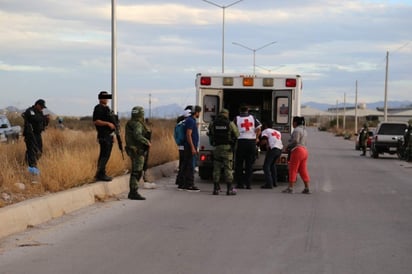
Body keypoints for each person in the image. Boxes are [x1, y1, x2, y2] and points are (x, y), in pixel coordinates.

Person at [208, 108, 239, 195]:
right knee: (228, 168)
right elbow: (237, 134)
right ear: (227, 114)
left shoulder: (213, 123)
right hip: (227, 149)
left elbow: (210, 134)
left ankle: (216, 189)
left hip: (217, 148)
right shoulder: (230, 123)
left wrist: (213, 143)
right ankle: (229, 189)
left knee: (216, 169)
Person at [124, 106, 151, 200]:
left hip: (133, 150)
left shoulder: (131, 122)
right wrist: (146, 141)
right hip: (137, 151)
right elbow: (137, 135)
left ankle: (133, 191)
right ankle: (133, 192)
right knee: (137, 172)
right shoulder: (137, 124)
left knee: (136, 170)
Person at [233, 104, 262, 189]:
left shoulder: (236, 118)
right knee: (249, 164)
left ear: (240, 110)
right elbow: (259, 128)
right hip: (251, 142)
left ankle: (240, 184)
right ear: (248, 110)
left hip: (241, 141)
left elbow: (232, 129)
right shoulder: (252, 118)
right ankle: (248, 184)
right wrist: (256, 138)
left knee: (239, 164)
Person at [282, 116, 311, 194]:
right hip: (305, 151)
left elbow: (295, 141)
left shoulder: (296, 130)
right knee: (303, 170)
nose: (292, 124)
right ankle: (307, 187)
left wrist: (288, 147)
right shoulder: (304, 130)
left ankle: (290, 188)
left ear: (295, 122)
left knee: (293, 169)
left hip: (297, 150)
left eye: (292, 122)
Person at [93, 91, 116, 182]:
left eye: (107, 97)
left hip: (109, 135)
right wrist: (108, 123)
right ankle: (100, 174)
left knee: (107, 155)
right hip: (103, 135)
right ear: (100, 98)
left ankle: (102, 173)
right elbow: (96, 121)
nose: (106, 99)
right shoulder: (98, 108)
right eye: (104, 97)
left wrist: (113, 134)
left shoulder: (107, 109)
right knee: (104, 155)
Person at [22, 99, 48, 174]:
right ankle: (31, 166)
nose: (42, 108)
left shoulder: (40, 113)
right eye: (41, 107)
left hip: (38, 134)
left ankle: (27, 164)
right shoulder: (30, 111)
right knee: (31, 150)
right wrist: (43, 118)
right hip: (30, 134)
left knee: (39, 151)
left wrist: (47, 120)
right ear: (37, 105)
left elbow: (43, 123)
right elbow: (35, 119)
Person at [181, 105, 202, 192]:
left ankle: (185, 184)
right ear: (196, 112)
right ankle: (190, 185)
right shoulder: (190, 121)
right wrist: (193, 147)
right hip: (190, 147)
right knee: (190, 166)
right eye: (199, 112)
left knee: (187, 165)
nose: (199, 114)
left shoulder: (191, 120)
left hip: (189, 146)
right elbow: (188, 134)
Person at [260, 122, 283, 189]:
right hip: (279, 149)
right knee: (272, 165)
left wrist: (258, 144)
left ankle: (269, 184)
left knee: (266, 166)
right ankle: (274, 182)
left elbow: (264, 141)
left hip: (273, 149)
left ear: (266, 126)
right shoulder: (277, 132)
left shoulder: (266, 130)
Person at [175, 106, 193, 190]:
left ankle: (179, 181)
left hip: (180, 146)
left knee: (182, 164)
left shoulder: (179, 123)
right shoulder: (186, 123)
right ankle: (182, 182)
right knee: (185, 165)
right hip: (184, 146)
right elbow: (187, 135)